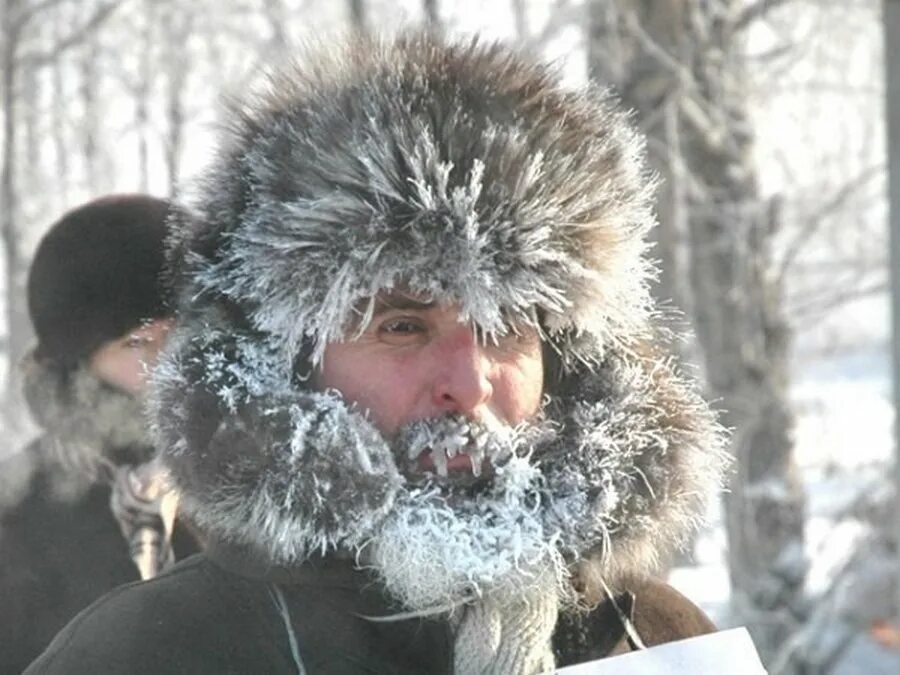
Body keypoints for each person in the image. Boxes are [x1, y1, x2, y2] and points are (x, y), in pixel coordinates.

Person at [27, 34, 728, 674]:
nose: (470, 383)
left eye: (510, 324)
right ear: (289, 364)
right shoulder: (143, 655)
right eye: (401, 326)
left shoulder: (657, 633)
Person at [0, 195, 200, 674]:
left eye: (190, 332)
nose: (174, 363)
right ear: (77, 363)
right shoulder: (17, 518)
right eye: (139, 342)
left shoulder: (267, 491)